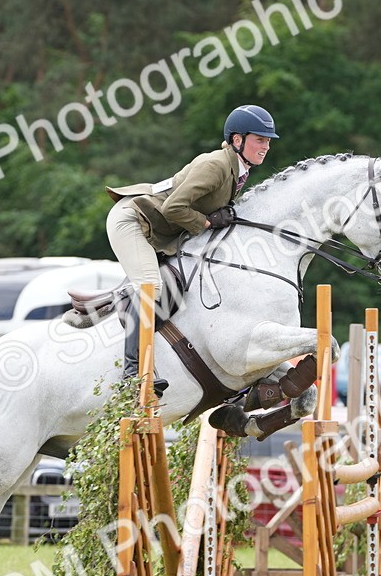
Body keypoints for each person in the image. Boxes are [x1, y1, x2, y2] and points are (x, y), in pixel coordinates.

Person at [105, 105, 278, 396]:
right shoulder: (215, 165)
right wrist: (208, 221)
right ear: (238, 140)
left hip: (160, 228)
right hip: (133, 220)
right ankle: (133, 375)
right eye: (260, 139)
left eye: (268, 140)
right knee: (152, 288)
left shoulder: (237, 169)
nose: (266, 146)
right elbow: (174, 208)